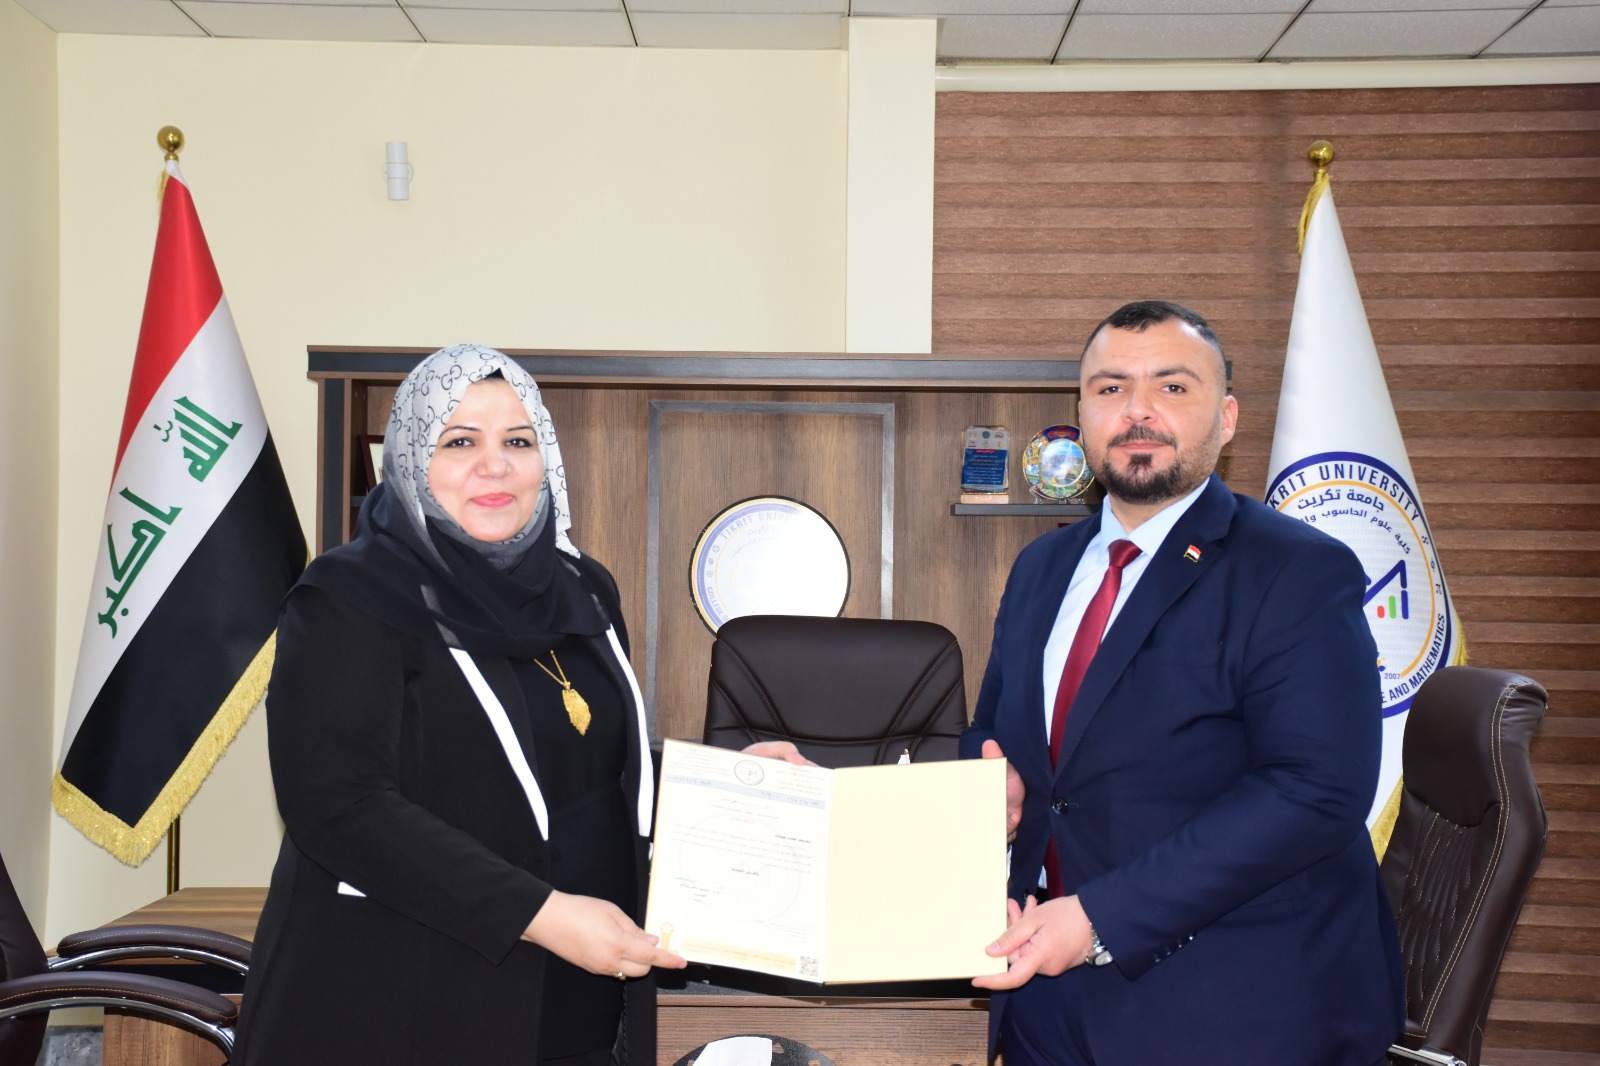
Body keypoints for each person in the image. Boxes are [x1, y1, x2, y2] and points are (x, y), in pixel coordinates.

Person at [235, 344, 712, 1065]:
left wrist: (725, 777)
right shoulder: (347, 598)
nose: (496, 466)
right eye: (460, 442)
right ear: (409, 460)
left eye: (518, 442)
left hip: (578, 1002)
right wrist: (542, 914)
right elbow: (339, 807)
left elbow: (587, 770)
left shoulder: (583, 588)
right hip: (406, 1005)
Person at [960, 302, 1406, 1065]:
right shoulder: (1041, 567)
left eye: (1172, 387)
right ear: (1081, 415)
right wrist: (989, 776)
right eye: (1110, 389)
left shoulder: (1297, 570)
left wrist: (1099, 919)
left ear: (1226, 418)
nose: (1137, 411)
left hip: (1235, 1004)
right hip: (1043, 989)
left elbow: (1315, 791)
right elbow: (994, 732)